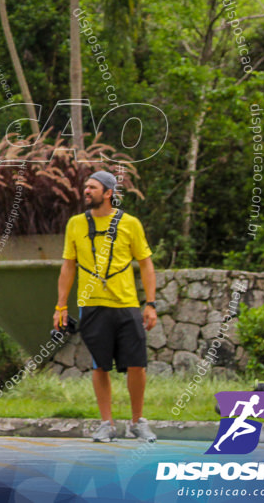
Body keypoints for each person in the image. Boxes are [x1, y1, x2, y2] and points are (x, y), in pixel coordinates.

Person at [53, 170, 158, 443]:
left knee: (137, 365)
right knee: (100, 366)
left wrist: (151, 303)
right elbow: (68, 266)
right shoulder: (75, 224)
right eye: (85, 187)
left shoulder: (130, 224)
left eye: (93, 187)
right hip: (92, 306)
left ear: (109, 193)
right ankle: (107, 423)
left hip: (126, 304)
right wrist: (61, 306)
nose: (86, 191)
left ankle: (137, 422)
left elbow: (146, 264)